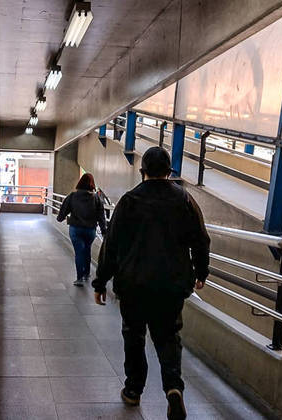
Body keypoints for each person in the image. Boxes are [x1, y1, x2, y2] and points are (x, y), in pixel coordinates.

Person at [92, 147, 210, 420]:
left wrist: (100, 282)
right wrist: (201, 272)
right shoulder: (185, 200)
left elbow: (112, 245)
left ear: (142, 171)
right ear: (169, 172)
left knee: (134, 336)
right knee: (169, 337)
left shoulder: (129, 201)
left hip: (133, 284)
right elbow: (201, 240)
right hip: (171, 286)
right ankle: (172, 388)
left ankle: (133, 391)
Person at [57, 173, 107, 286]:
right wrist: (104, 230)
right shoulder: (96, 198)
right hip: (90, 230)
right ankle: (87, 273)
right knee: (87, 249)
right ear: (92, 184)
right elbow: (101, 215)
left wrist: (60, 218)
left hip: (76, 228)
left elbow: (64, 208)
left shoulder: (73, 196)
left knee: (79, 252)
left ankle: (79, 278)